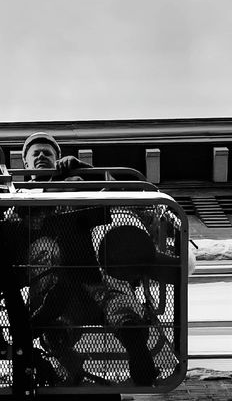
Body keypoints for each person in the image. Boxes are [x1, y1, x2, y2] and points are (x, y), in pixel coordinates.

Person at [16, 132, 158, 385]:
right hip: (57, 279)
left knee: (109, 278)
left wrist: (83, 169)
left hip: (87, 265)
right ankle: (63, 349)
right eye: (34, 154)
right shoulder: (17, 193)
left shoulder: (78, 179)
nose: (40, 157)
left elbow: (116, 191)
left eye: (47, 153)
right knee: (45, 255)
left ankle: (134, 341)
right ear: (25, 164)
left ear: (57, 159)